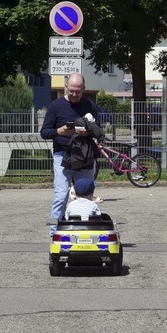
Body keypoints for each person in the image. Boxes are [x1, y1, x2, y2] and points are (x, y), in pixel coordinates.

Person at [40, 73, 103, 234]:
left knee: (86, 194)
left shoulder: (90, 105)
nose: (74, 95)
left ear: (84, 89)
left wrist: (88, 132)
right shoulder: (56, 106)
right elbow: (44, 132)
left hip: (84, 154)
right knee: (61, 194)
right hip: (63, 154)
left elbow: (99, 130)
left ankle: (86, 228)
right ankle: (56, 231)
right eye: (72, 91)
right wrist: (59, 131)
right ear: (66, 87)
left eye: (78, 91)